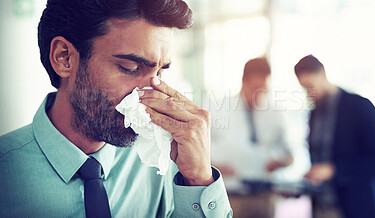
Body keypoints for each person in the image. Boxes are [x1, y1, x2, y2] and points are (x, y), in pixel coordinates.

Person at [0, 0, 232, 217]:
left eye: (159, 73)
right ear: (64, 58)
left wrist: (198, 180)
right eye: (130, 68)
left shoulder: (159, 165)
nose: (151, 94)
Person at [295, 55, 375, 218]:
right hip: (322, 208)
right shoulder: (314, 113)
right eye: (304, 88)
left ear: (322, 74)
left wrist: (334, 170)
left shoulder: (360, 107)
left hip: (356, 209)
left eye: (310, 86)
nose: (309, 93)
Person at [210, 57, 293, 218]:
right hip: (231, 197)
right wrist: (213, 168)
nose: (259, 95)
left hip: (265, 197)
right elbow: (199, 150)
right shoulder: (217, 109)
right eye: (255, 88)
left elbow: (290, 155)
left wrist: (280, 162)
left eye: (263, 90)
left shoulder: (275, 113)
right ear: (243, 81)